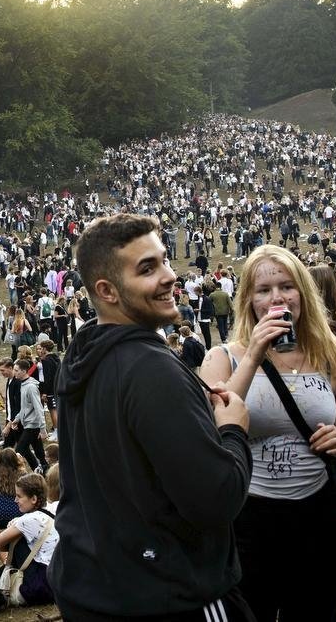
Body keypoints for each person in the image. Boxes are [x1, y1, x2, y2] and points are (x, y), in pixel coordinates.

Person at [50, 213, 255, 621]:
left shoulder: (82, 354)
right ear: (106, 290)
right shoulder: (149, 369)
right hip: (170, 591)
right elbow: (216, 498)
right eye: (147, 268)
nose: (168, 276)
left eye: (163, 260)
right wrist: (233, 430)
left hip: (102, 585)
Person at [200, 244, 336, 622]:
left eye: (286, 286)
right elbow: (212, 431)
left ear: (303, 295)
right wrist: (254, 354)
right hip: (247, 516)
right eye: (263, 290)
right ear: (248, 299)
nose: (276, 297)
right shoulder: (221, 358)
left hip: (318, 515)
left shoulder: (334, 360)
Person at [0, 472, 58, 606]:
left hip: (39, 586)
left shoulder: (28, 520)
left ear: (33, 499)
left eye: (19, 496)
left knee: (17, 541)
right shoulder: (49, 513)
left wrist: (15, 525)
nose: (15, 500)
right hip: (55, 580)